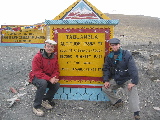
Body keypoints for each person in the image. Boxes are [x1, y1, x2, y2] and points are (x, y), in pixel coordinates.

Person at [102, 38, 140, 120]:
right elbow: (106, 69)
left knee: (132, 90)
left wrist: (134, 81)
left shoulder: (127, 54)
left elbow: (133, 68)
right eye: (112, 45)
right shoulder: (109, 56)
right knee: (105, 88)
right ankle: (117, 101)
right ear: (111, 46)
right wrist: (106, 80)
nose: (114, 47)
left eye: (116, 45)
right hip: (116, 79)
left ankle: (136, 113)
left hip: (126, 79)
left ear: (119, 45)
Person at [29, 39, 60, 117]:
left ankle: (45, 100)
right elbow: (37, 71)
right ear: (44, 47)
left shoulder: (54, 57)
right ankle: (36, 106)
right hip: (36, 77)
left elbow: (56, 69)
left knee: (56, 84)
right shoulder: (38, 57)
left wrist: (54, 77)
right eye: (48, 46)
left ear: (53, 49)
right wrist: (49, 79)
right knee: (43, 83)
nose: (49, 48)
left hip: (47, 78)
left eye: (51, 47)